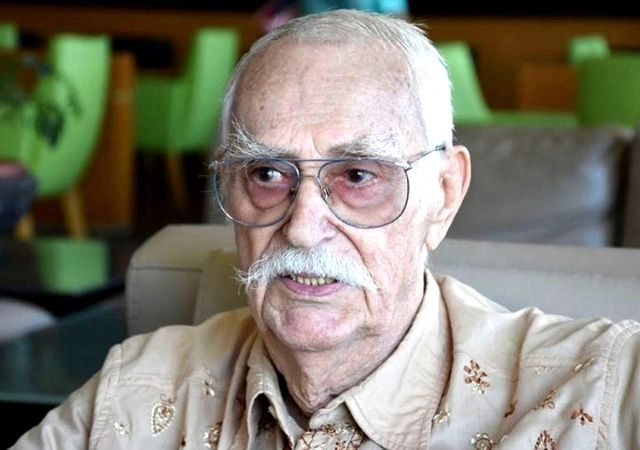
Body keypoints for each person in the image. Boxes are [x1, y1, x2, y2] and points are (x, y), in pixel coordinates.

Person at [11, 9, 640, 449]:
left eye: (359, 176)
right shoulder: (135, 391)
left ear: (444, 194)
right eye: (266, 173)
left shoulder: (602, 390)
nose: (304, 229)